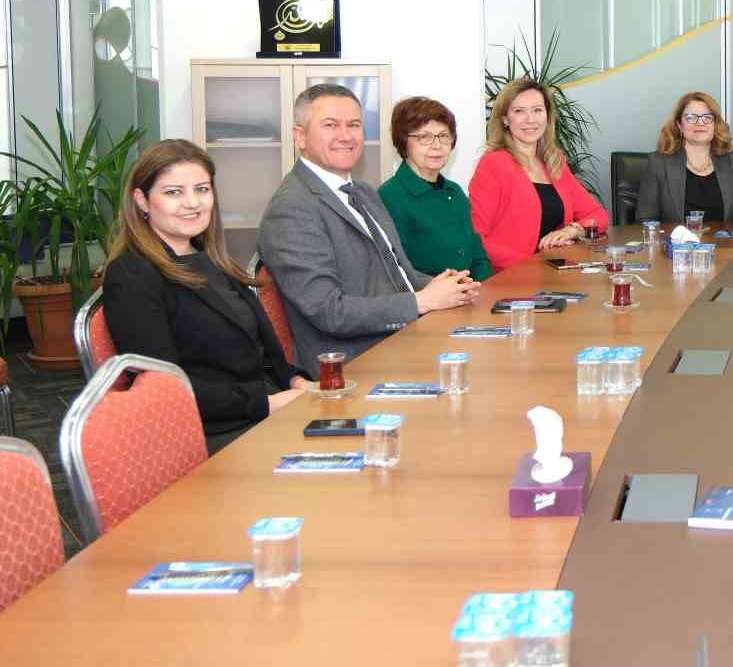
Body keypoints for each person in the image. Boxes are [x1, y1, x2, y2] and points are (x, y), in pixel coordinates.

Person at [102, 139, 314, 454]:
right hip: (209, 433)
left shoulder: (208, 258)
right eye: (173, 192)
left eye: (201, 189)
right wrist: (266, 404)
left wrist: (296, 382)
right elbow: (166, 388)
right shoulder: (132, 275)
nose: (192, 203)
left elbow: (257, 352)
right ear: (142, 201)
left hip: (260, 411)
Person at [259, 84, 480, 366]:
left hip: (404, 339)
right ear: (300, 136)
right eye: (330, 125)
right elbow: (328, 311)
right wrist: (423, 301)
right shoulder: (291, 208)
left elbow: (399, 275)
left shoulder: (363, 192)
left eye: (354, 125)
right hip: (356, 364)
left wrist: (450, 287)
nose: (345, 136)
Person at [470, 78, 608, 269]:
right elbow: (475, 237)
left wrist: (573, 230)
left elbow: (597, 215)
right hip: (512, 275)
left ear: (547, 115)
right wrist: (531, 265)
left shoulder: (554, 162)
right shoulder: (493, 164)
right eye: (519, 111)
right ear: (505, 119)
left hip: (554, 272)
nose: (530, 119)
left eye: (537, 110)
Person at [378, 97, 493, 281]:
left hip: (471, 293)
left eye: (444, 136)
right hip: (428, 297)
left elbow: (478, 257)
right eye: (424, 137)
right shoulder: (390, 196)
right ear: (403, 141)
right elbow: (397, 271)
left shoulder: (455, 192)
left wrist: (485, 289)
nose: (437, 145)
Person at [636, 91, 733, 226]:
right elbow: (646, 219)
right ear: (679, 125)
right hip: (675, 240)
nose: (700, 123)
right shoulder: (658, 163)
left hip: (725, 239)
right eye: (691, 117)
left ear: (715, 124)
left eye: (707, 117)